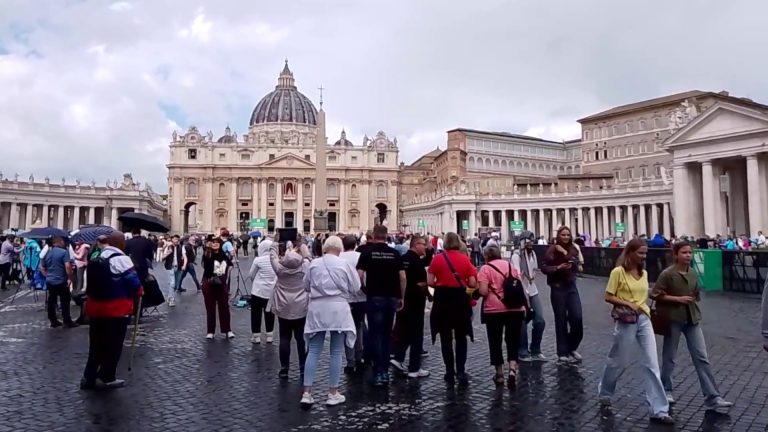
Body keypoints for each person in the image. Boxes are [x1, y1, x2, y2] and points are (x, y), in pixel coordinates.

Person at [597, 239, 674, 425]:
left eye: (645, 253)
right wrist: (628, 303)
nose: (644, 256)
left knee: (651, 363)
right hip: (626, 319)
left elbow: (643, 294)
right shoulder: (618, 272)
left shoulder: (644, 272)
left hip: (644, 318)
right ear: (630, 252)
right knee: (619, 361)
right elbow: (608, 295)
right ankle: (605, 391)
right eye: (640, 253)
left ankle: (659, 409)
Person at [652, 242, 734, 410]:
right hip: (673, 318)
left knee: (702, 357)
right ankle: (666, 390)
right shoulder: (667, 274)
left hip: (692, 318)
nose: (688, 255)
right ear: (676, 255)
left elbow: (695, 293)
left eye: (690, 252)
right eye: (684, 252)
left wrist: (692, 297)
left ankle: (712, 396)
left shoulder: (693, 273)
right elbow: (655, 294)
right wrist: (677, 299)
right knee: (669, 356)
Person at [301, 236, 361, 406]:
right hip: (338, 308)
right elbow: (356, 287)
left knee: (313, 350)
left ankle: (307, 393)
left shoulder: (314, 264)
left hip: (318, 308)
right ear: (340, 249)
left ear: (325, 248)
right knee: (336, 351)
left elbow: (306, 285)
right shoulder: (345, 265)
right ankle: (332, 393)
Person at [80, 232, 143, 390]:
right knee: (113, 344)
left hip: (95, 307)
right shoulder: (121, 259)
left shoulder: (96, 255)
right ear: (121, 243)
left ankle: (89, 376)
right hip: (115, 308)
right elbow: (133, 281)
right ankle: (107, 376)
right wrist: (140, 291)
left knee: (95, 344)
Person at [356, 224, 406, 387]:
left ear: (374, 235)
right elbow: (403, 277)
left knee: (375, 333)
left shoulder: (367, 253)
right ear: (386, 236)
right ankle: (385, 370)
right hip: (391, 297)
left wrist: (364, 289)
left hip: (374, 296)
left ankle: (378, 371)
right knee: (386, 334)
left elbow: (359, 275)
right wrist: (401, 296)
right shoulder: (394, 253)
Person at [427, 232, 477, 386]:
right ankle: (461, 370)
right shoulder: (465, 259)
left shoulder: (437, 259)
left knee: (445, 337)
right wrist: (466, 293)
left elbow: (429, 281)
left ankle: (449, 371)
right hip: (460, 299)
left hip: (442, 300)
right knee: (461, 337)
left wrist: (440, 287)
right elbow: (473, 282)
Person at [477, 245, 528, 387]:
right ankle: (512, 369)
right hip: (515, 308)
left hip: (494, 310)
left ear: (486, 256)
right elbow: (520, 285)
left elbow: (483, 291)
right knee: (513, 340)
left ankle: (499, 373)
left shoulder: (485, 269)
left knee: (495, 341)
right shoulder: (510, 266)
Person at [268, 233, 312, 379]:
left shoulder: (279, 268)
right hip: (300, 307)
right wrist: (301, 243)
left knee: (284, 338)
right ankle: (302, 367)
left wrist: (275, 242)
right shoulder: (303, 267)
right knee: (300, 339)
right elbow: (307, 257)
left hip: (284, 307)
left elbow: (273, 256)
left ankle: (284, 368)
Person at [391, 235, 433, 378]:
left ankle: (398, 357)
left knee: (404, 331)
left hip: (403, 301)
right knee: (416, 334)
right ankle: (414, 368)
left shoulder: (403, 259)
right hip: (415, 302)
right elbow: (421, 283)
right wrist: (427, 292)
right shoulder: (416, 262)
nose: (425, 247)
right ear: (415, 245)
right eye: (423, 244)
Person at [541, 226, 583, 363]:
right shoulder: (551, 250)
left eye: (568, 235)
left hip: (571, 286)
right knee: (561, 320)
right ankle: (562, 352)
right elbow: (544, 267)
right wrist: (558, 268)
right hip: (557, 287)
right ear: (558, 236)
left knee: (577, 318)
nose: (565, 237)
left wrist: (564, 252)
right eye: (563, 235)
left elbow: (576, 262)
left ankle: (571, 346)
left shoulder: (573, 248)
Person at [512, 240, 546, 362]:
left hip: (533, 289)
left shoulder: (533, 254)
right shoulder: (516, 256)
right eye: (527, 241)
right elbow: (516, 275)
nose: (530, 244)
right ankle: (522, 350)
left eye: (531, 241)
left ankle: (536, 349)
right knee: (522, 322)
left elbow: (535, 269)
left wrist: (531, 277)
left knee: (540, 320)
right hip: (521, 291)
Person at [340, 234, 366, 373]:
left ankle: (350, 362)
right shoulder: (360, 256)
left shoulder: (339, 258)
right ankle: (359, 357)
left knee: (346, 330)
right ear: (355, 244)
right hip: (361, 298)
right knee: (359, 326)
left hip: (345, 299)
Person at [201, 238, 234, 339]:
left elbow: (231, 265)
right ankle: (210, 331)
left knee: (224, 307)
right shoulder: (207, 254)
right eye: (213, 243)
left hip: (221, 282)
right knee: (210, 307)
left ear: (220, 244)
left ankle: (227, 330)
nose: (215, 244)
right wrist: (208, 248)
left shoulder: (223, 254)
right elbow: (206, 265)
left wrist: (226, 273)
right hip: (209, 281)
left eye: (217, 243)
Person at [42, 236, 77, 328]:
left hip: (50, 280)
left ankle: (53, 320)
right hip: (61, 280)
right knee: (65, 300)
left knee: (51, 300)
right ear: (60, 241)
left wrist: (47, 276)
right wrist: (70, 277)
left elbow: (42, 268)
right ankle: (67, 320)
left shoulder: (47, 253)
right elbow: (67, 267)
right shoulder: (64, 252)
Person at [248, 239, 277, 344]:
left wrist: (255, 281)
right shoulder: (276, 260)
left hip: (258, 291)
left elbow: (251, 275)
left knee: (256, 314)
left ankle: (256, 336)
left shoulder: (258, 260)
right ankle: (270, 335)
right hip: (271, 291)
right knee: (269, 313)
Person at [161, 234, 184, 306]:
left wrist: (183, 261)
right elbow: (162, 258)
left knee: (176, 284)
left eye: (177, 239)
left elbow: (183, 256)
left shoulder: (180, 247)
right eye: (175, 239)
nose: (176, 240)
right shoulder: (168, 247)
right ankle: (171, 299)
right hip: (170, 267)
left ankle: (169, 296)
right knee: (172, 283)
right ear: (172, 240)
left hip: (178, 267)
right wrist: (168, 252)